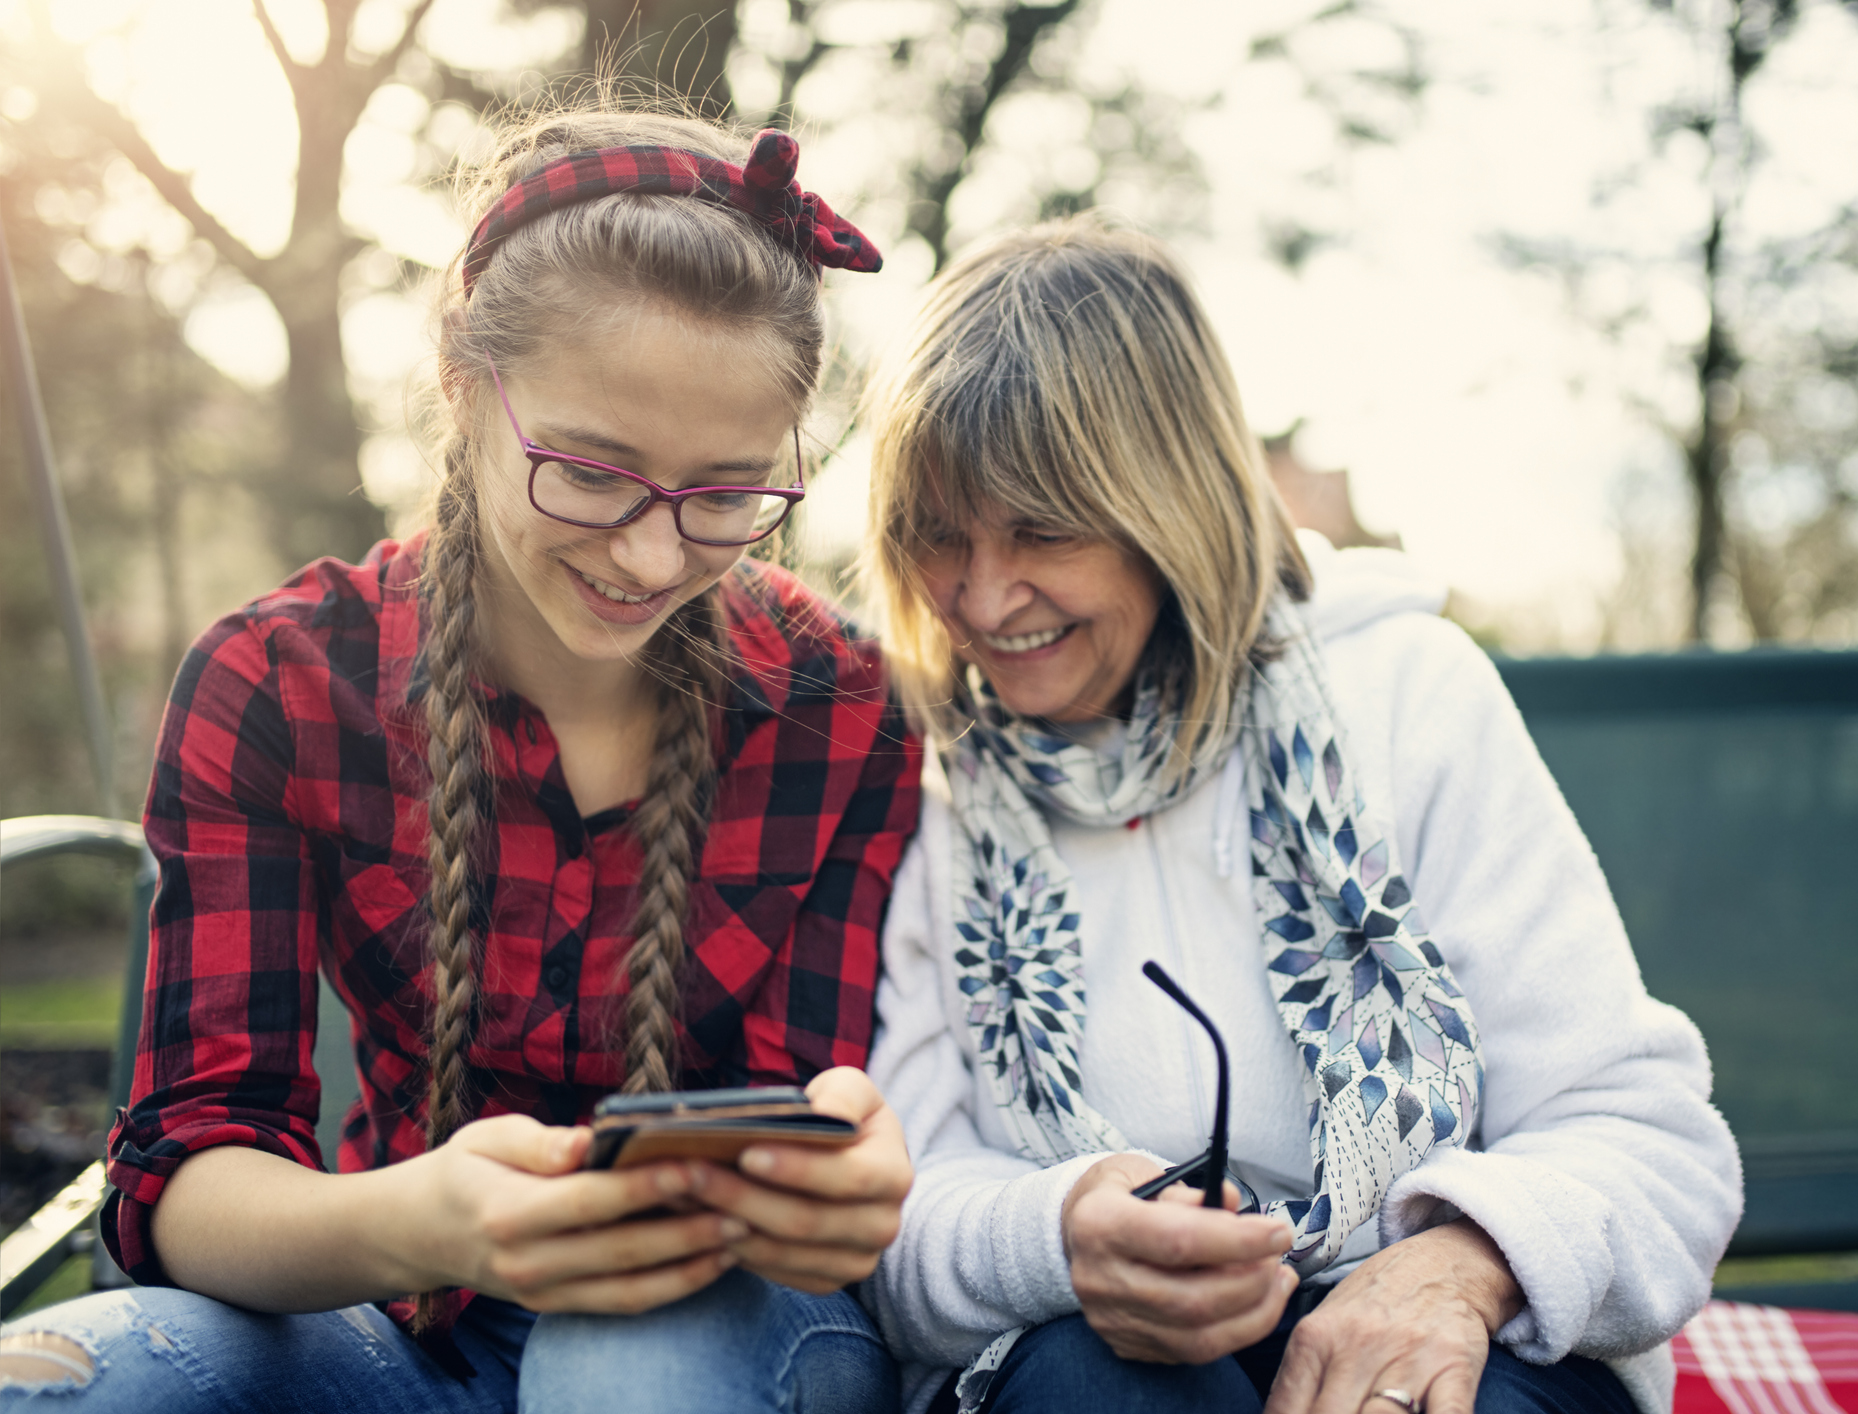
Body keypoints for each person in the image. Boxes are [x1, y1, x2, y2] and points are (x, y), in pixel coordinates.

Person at [0, 105, 922, 1414]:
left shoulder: (846, 710)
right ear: (458, 379)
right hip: (397, 1316)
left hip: (730, 1326)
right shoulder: (278, 682)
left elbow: (820, 1110)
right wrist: (421, 1223)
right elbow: (182, 1173)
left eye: (726, 494)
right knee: (61, 1384)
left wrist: (837, 1190)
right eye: (591, 472)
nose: (652, 557)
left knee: (629, 1373)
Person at [857, 216, 1743, 1414]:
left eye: (1042, 530)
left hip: (1445, 1339)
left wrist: (1457, 1263)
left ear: (1169, 504)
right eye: (937, 536)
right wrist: (1062, 1233)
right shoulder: (930, 780)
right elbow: (899, 1216)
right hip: (1106, 1364)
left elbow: (1648, 1143)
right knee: (1078, 1383)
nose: (982, 596)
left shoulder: (1407, 694)